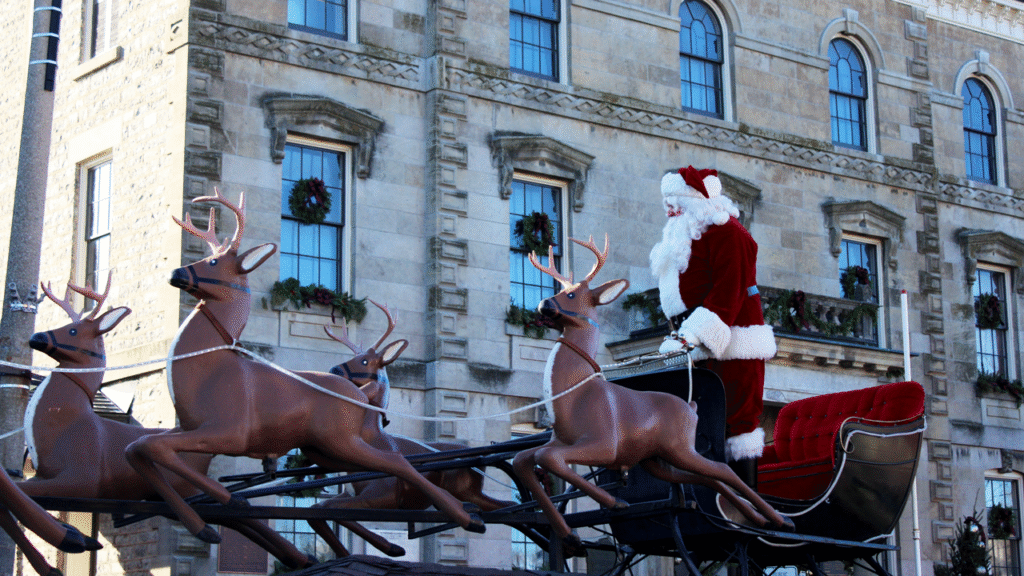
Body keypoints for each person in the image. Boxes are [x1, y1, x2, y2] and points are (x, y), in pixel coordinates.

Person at [649, 166, 776, 487]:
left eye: (675, 202)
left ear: (695, 201)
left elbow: (727, 292)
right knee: (698, 425)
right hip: (693, 346)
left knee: (737, 426)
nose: (669, 210)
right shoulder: (688, 236)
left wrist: (692, 335)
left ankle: (745, 505)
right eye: (667, 203)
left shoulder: (730, 233)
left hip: (733, 346)